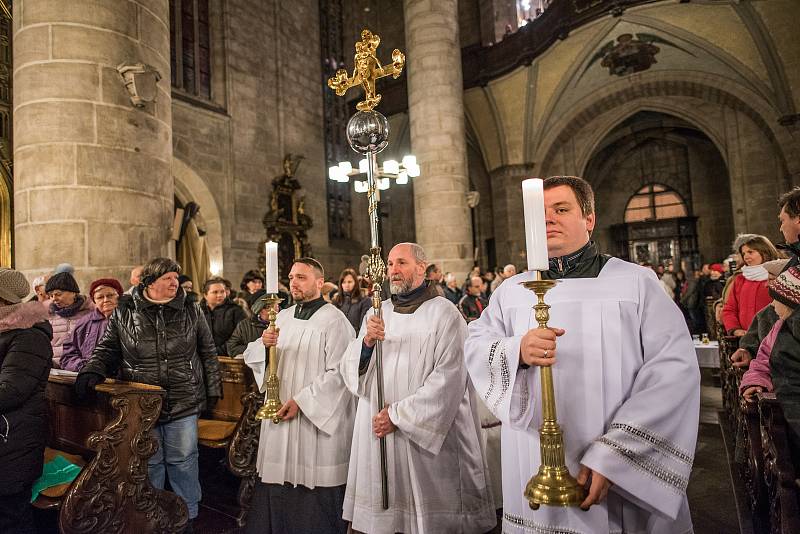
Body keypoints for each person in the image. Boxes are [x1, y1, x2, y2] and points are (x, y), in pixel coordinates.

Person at [464, 176, 699, 533]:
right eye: (540, 213)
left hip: (615, 469)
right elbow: (476, 343)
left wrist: (616, 455)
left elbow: (673, 372)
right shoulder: (510, 292)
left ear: (589, 219)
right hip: (533, 463)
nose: (549, 219)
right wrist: (516, 351)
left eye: (561, 209)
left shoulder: (636, 283)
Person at [340, 242, 496, 534]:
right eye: (389, 264)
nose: (393, 271)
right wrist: (366, 344)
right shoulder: (377, 312)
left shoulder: (445, 313)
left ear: (422, 268)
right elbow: (353, 371)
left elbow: (449, 380)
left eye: (401, 263)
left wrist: (398, 416)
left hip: (425, 439)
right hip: (379, 432)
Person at [75, 258, 221, 526]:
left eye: (176, 278)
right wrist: (92, 370)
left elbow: (208, 352)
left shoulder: (191, 309)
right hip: (142, 402)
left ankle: (187, 515)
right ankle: (151, 513)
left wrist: (212, 391)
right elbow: (108, 348)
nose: (174, 282)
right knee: (149, 461)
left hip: (183, 396)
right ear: (150, 282)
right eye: (168, 278)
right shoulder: (126, 311)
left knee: (183, 459)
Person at [243, 258, 355, 534]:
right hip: (280, 412)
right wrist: (263, 346)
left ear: (319, 282)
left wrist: (302, 402)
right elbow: (253, 355)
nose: (293, 282)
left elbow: (341, 373)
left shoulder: (334, 320)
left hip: (313, 418)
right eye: (291, 277)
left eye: (301, 277)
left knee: (313, 483)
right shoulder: (281, 317)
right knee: (277, 478)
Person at [0, 268, 53, 534]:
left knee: (11, 519)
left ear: (4, 299)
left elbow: (10, 391)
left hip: (13, 443)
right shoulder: (4, 331)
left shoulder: (29, 336)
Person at [60, 278, 125, 372]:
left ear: (119, 296)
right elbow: (68, 356)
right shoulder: (84, 323)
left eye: (110, 295)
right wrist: (84, 366)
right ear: (94, 301)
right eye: (100, 297)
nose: (106, 300)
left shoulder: (131, 319)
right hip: (90, 377)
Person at [722, 234, 781, 336]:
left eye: (750, 252)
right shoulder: (740, 279)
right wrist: (735, 329)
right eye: (744, 253)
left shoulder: (778, 275)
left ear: (765, 252)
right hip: (745, 338)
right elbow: (729, 308)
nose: (746, 256)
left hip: (774, 337)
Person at [45, 271, 93, 368]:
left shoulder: (91, 313)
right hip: (55, 372)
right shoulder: (48, 316)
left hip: (82, 370)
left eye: (58, 294)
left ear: (73, 293)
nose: (54, 299)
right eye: (51, 295)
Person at [201, 276, 247, 356]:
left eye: (222, 292)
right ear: (205, 295)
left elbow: (241, 336)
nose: (220, 295)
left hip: (228, 357)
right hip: (202, 357)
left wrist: (216, 351)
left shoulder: (235, 311)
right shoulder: (198, 312)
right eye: (215, 292)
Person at [331, 268, 371, 334]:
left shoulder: (364, 300)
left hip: (356, 339)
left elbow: (363, 327)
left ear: (355, 283)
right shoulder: (336, 300)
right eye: (343, 282)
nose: (346, 285)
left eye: (349, 282)